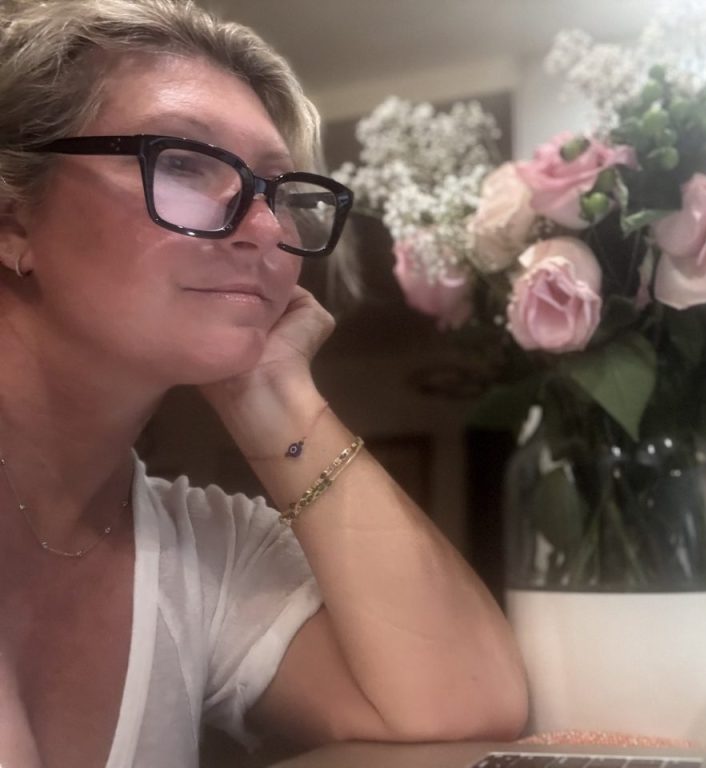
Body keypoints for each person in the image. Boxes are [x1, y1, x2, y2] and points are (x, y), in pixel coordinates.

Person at [0, 1, 529, 766]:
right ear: (14, 216)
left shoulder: (198, 552)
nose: (260, 228)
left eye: (279, 191)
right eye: (182, 164)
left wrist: (273, 394)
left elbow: (465, 709)